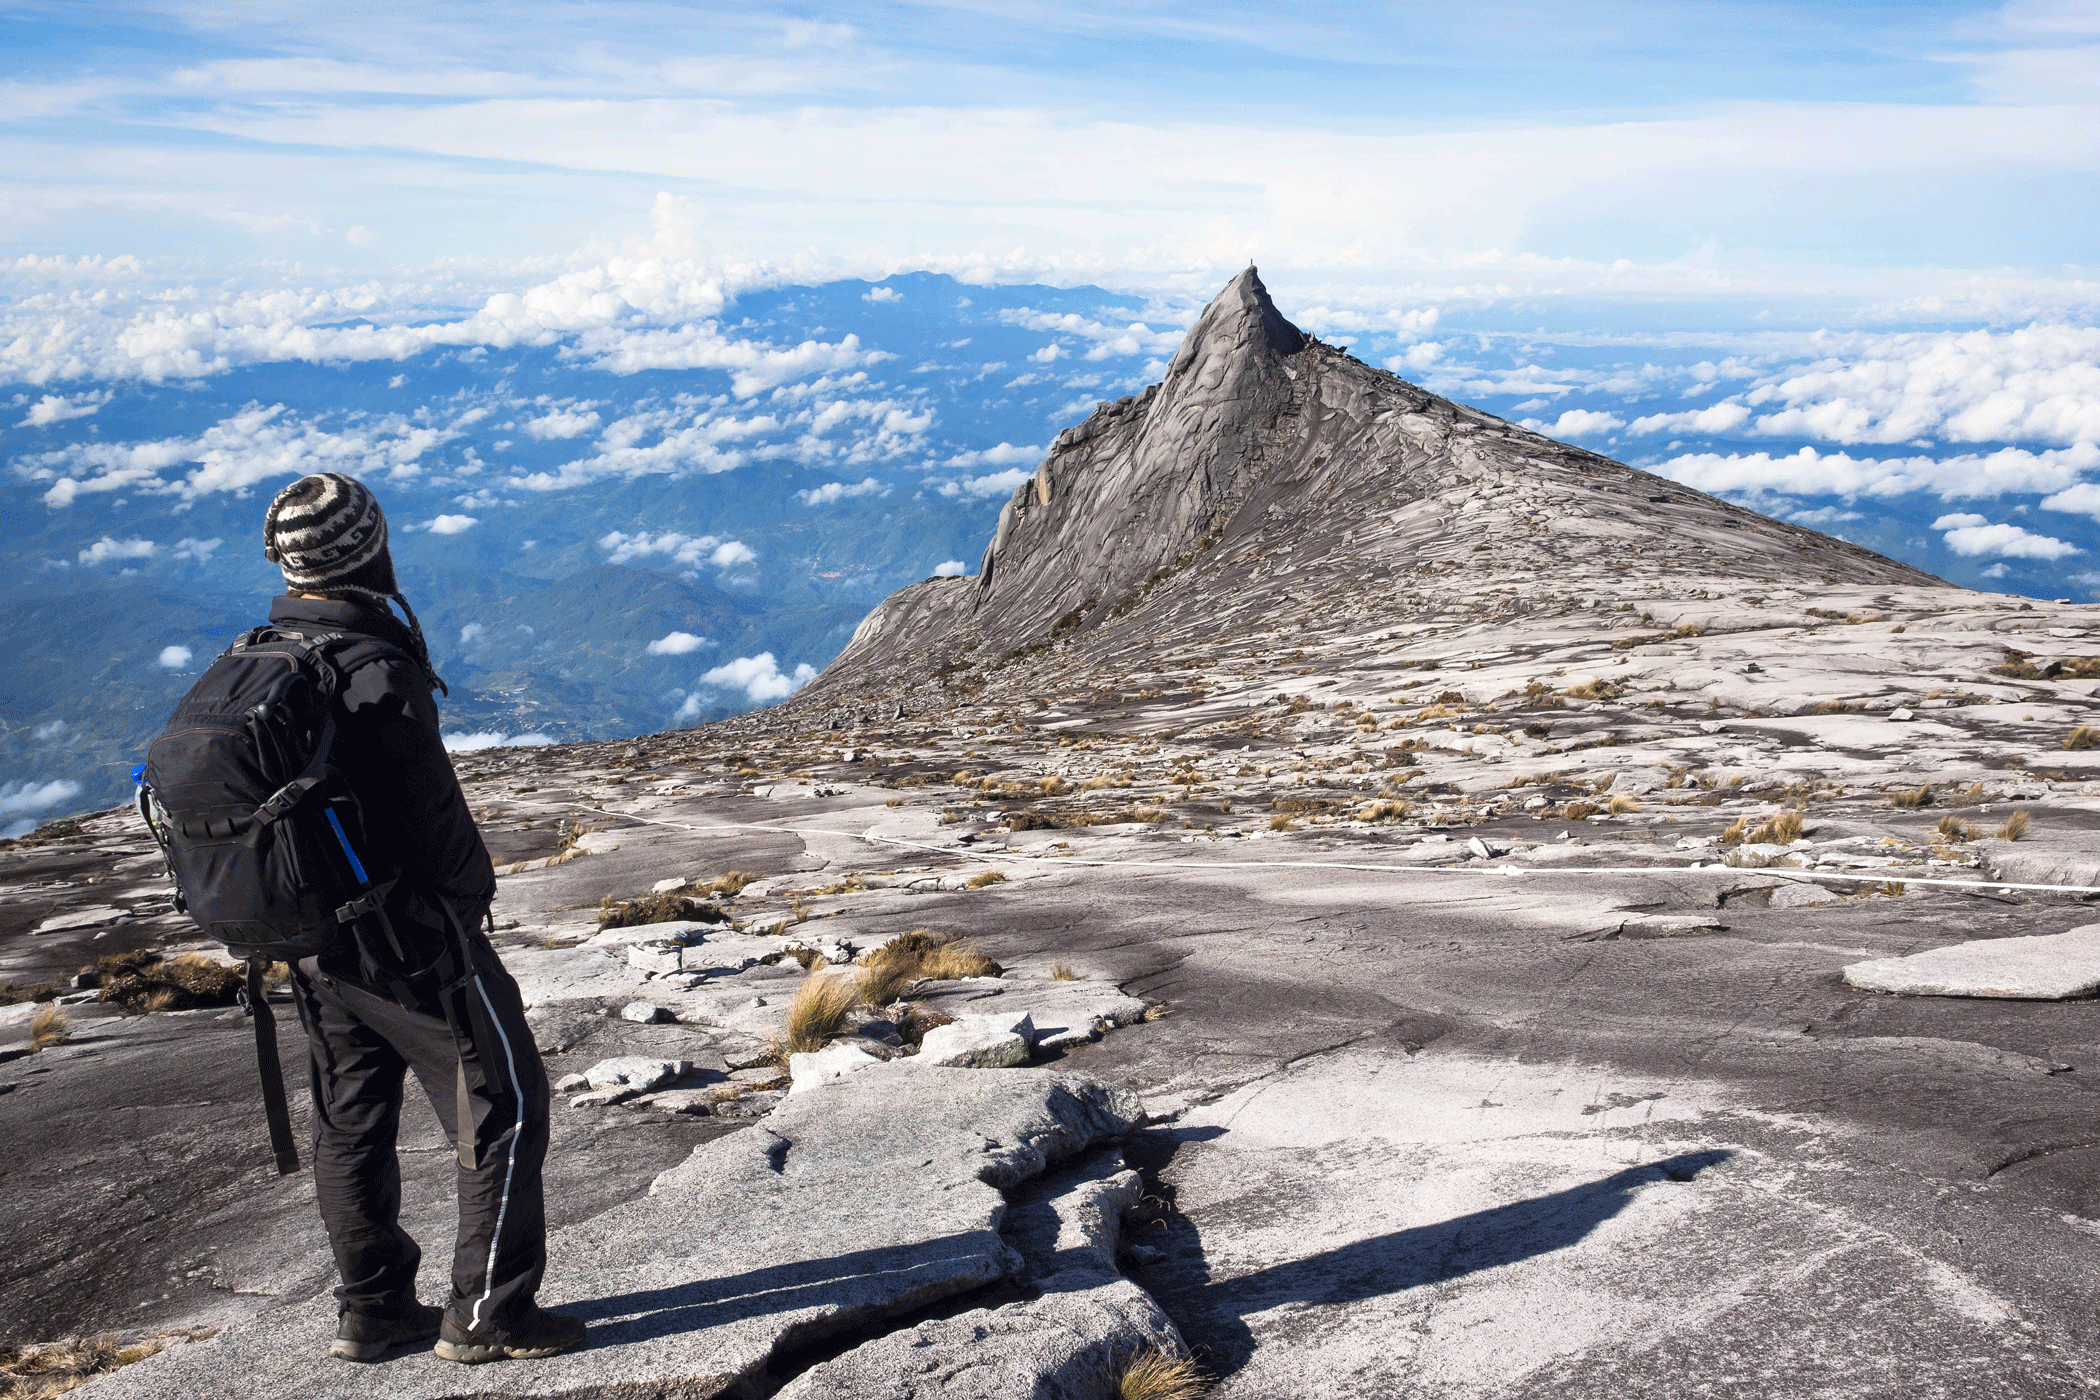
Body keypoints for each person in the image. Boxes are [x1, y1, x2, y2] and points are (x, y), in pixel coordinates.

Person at [256, 472, 583, 1365]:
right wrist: (464, 913)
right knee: (506, 1105)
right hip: (410, 943)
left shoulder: (265, 658)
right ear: (371, 550)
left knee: (350, 1119)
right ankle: (490, 1316)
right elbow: (439, 829)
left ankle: (371, 1311)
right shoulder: (370, 670)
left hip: (314, 947)